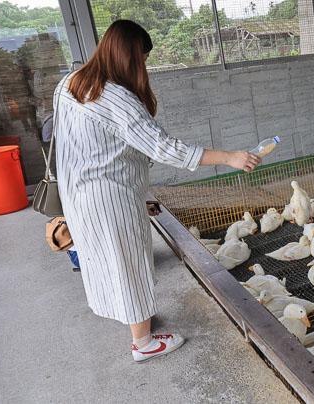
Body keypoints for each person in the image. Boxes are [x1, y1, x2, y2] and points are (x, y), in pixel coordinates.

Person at [53, 20, 260, 363]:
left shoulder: (71, 83)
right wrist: (230, 157)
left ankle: (136, 321)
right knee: (129, 262)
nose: (144, 67)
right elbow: (165, 148)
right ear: (130, 56)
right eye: (143, 59)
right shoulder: (115, 96)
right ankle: (143, 343)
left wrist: (141, 193)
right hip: (109, 197)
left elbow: (92, 145)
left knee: (104, 259)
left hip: (78, 191)